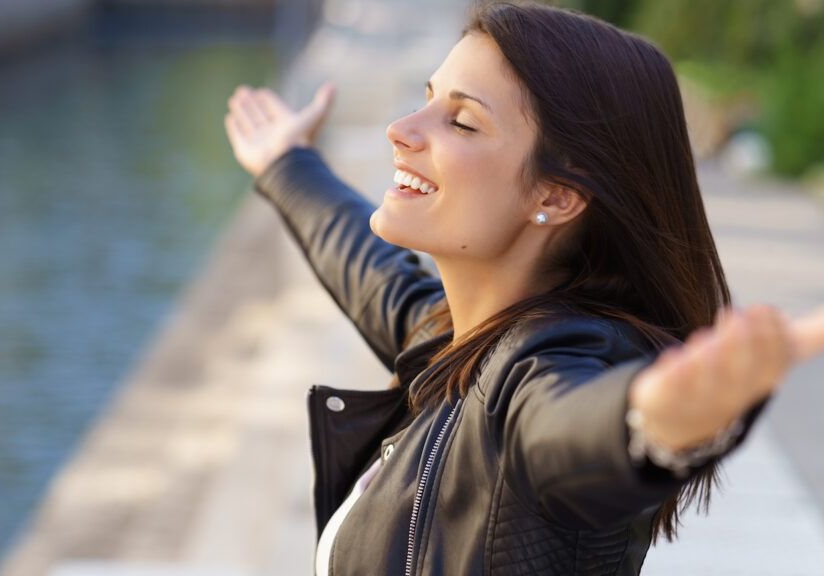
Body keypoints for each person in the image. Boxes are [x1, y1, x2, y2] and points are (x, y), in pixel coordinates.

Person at [223, 1, 824, 574]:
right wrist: (288, 165)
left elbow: (567, 427)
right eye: (426, 100)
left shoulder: (543, 366)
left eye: (461, 121)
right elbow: (370, 270)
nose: (400, 129)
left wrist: (650, 421)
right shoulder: (455, 337)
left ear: (556, 195)